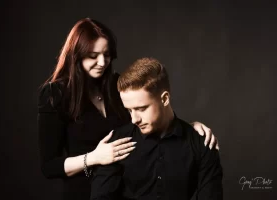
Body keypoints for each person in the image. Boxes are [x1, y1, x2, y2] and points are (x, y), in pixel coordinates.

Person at [37, 18, 219, 200]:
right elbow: (49, 166)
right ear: (77, 55)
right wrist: (93, 158)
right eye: (93, 56)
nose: (102, 62)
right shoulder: (55, 94)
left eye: (106, 54)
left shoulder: (116, 86)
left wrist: (190, 130)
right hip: (82, 189)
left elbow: (152, 108)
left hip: (123, 187)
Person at [90, 58, 223, 200]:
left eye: (141, 109)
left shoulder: (201, 144)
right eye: (129, 111)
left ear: (165, 99)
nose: (134, 119)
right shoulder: (116, 143)